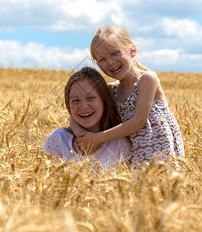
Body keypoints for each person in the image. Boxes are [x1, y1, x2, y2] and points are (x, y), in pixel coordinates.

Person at [72, 26, 185, 168]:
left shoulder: (147, 79)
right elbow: (75, 114)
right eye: (103, 59)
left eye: (115, 53)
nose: (111, 62)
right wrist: (83, 136)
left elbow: (138, 122)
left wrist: (97, 138)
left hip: (162, 153)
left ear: (132, 51)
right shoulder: (111, 90)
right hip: (137, 156)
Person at [43, 67, 131, 171]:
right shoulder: (59, 140)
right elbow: (44, 181)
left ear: (104, 100)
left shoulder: (119, 144)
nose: (84, 106)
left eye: (90, 98)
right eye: (75, 100)